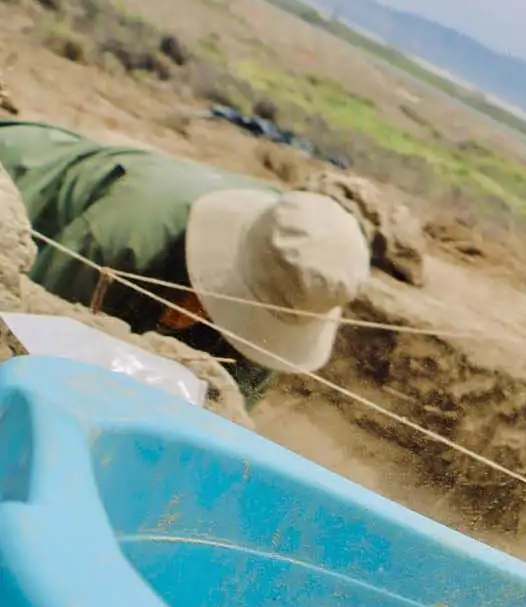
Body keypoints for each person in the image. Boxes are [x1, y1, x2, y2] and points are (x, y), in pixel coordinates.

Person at [0, 120, 370, 407]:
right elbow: (28, 336)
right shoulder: (123, 235)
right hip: (24, 186)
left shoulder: (297, 276)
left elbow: (231, 399)